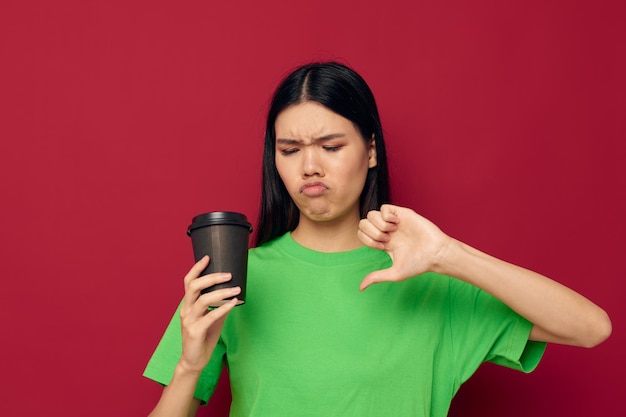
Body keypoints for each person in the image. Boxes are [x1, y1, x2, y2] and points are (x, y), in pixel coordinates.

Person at [144, 62, 611, 417]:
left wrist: (448, 254)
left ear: (370, 151)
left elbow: (590, 329)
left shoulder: (430, 278)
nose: (310, 167)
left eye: (330, 147)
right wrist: (188, 365)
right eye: (289, 151)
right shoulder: (236, 281)